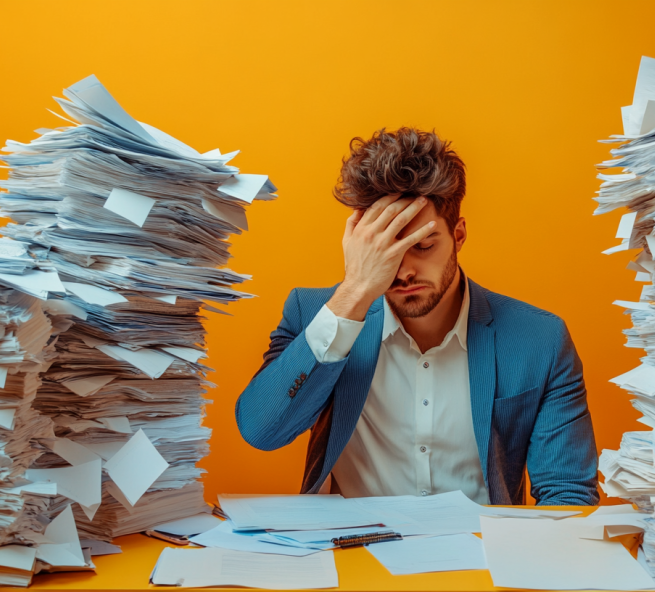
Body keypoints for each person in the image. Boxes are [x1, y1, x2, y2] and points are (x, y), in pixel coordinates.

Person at [235, 127, 598, 506]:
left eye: (423, 246)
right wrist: (356, 291)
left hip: (479, 555)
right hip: (353, 556)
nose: (403, 271)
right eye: (386, 251)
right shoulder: (312, 314)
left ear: (458, 235)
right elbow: (262, 431)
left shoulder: (539, 339)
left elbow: (567, 493)